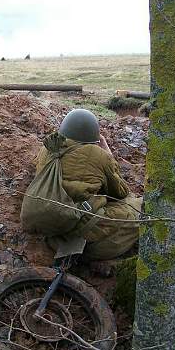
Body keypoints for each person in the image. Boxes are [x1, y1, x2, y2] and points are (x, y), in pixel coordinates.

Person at [34, 108, 142, 262]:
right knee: (138, 206)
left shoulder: (47, 148)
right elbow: (121, 192)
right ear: (94, 136)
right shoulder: (98, 155)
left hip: (51, 230)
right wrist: (109, 157)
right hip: (83, 235)